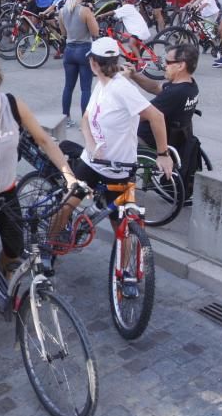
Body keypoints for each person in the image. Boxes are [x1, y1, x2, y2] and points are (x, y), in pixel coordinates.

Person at [0, 53, 80, 344]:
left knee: (15, 248)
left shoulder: (12, 105)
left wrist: (68, 175)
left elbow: (45, 141)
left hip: (6, 191)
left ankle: (6, 284)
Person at [49, 38, 174, 269]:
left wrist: (163, 153)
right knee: (66, 206)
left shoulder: (121, 88)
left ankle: (125, 273)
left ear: (93, 62)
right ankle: (49, 250)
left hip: (120, 170)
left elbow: (157, 117)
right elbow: (86, 118)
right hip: (92, 163)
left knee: (123, 227)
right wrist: (90, 143)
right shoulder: (102, 83)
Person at [122, 43, 199, 150]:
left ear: (181, 66)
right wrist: (134, 75)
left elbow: (138, 116)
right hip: (174, 138)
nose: (164, 66)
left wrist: (121, 83)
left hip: (148, 140)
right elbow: (156, 87)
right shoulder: (190, 85)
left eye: (168, 62)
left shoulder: (175, 93)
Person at [57, 0, 100, 127]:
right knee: (85, 88)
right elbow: (95, 32)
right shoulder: (85, 11)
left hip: (69, 50)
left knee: (68, 86)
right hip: (84, 49)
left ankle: (66, 118)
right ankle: (85, 121)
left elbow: (63, 33)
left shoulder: (62, 11)